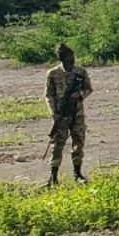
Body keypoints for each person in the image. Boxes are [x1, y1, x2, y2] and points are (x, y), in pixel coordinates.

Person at [43, 44, 92, 187]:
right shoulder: (53, 74)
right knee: (57, 145)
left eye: (73, 57)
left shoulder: (80, 72)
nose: (73, 60)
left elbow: (88, 88)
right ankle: (53, 177)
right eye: (69, 58)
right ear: (62, 59)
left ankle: (78, 174)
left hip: (77, 112)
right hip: (61, 114)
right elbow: (48, 95)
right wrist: (54, 113)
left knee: (78, 142)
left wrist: (80, 95)